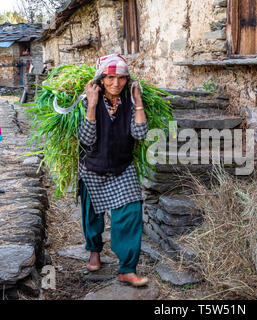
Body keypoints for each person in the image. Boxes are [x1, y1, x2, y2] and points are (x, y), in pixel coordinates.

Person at [77, 54, 149, 287]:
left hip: (122, 168)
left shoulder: (129, 102)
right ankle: (94, 251)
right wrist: (93, 105)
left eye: (121, 78)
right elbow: (86, 140)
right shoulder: (88, 100)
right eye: (110, 78)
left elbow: (139, 134)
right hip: (93, 168)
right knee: (92, 214)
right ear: (101, 79)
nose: (115, 83)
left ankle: (127, 269)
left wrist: (138, 101)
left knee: (130, 213)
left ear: (127, 80)